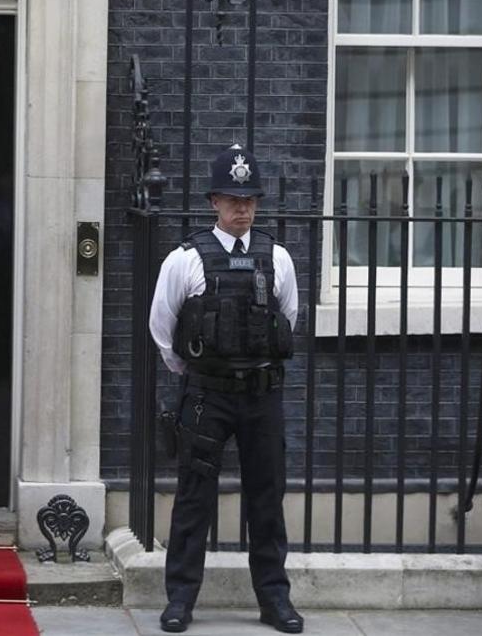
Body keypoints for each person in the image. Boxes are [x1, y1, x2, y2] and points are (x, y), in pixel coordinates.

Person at [148, 144, 303, 633]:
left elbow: (287, 319)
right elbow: (163, 328)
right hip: (207, 394)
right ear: (214, 200)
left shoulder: (277, 256)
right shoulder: (185, 258)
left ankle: (274, 600)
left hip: (261, 394)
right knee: (194, 497)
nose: (244, 208)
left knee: (266, 498)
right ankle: (180, 600)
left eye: (251, 199)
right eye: (234, 199)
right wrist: (196, 374)